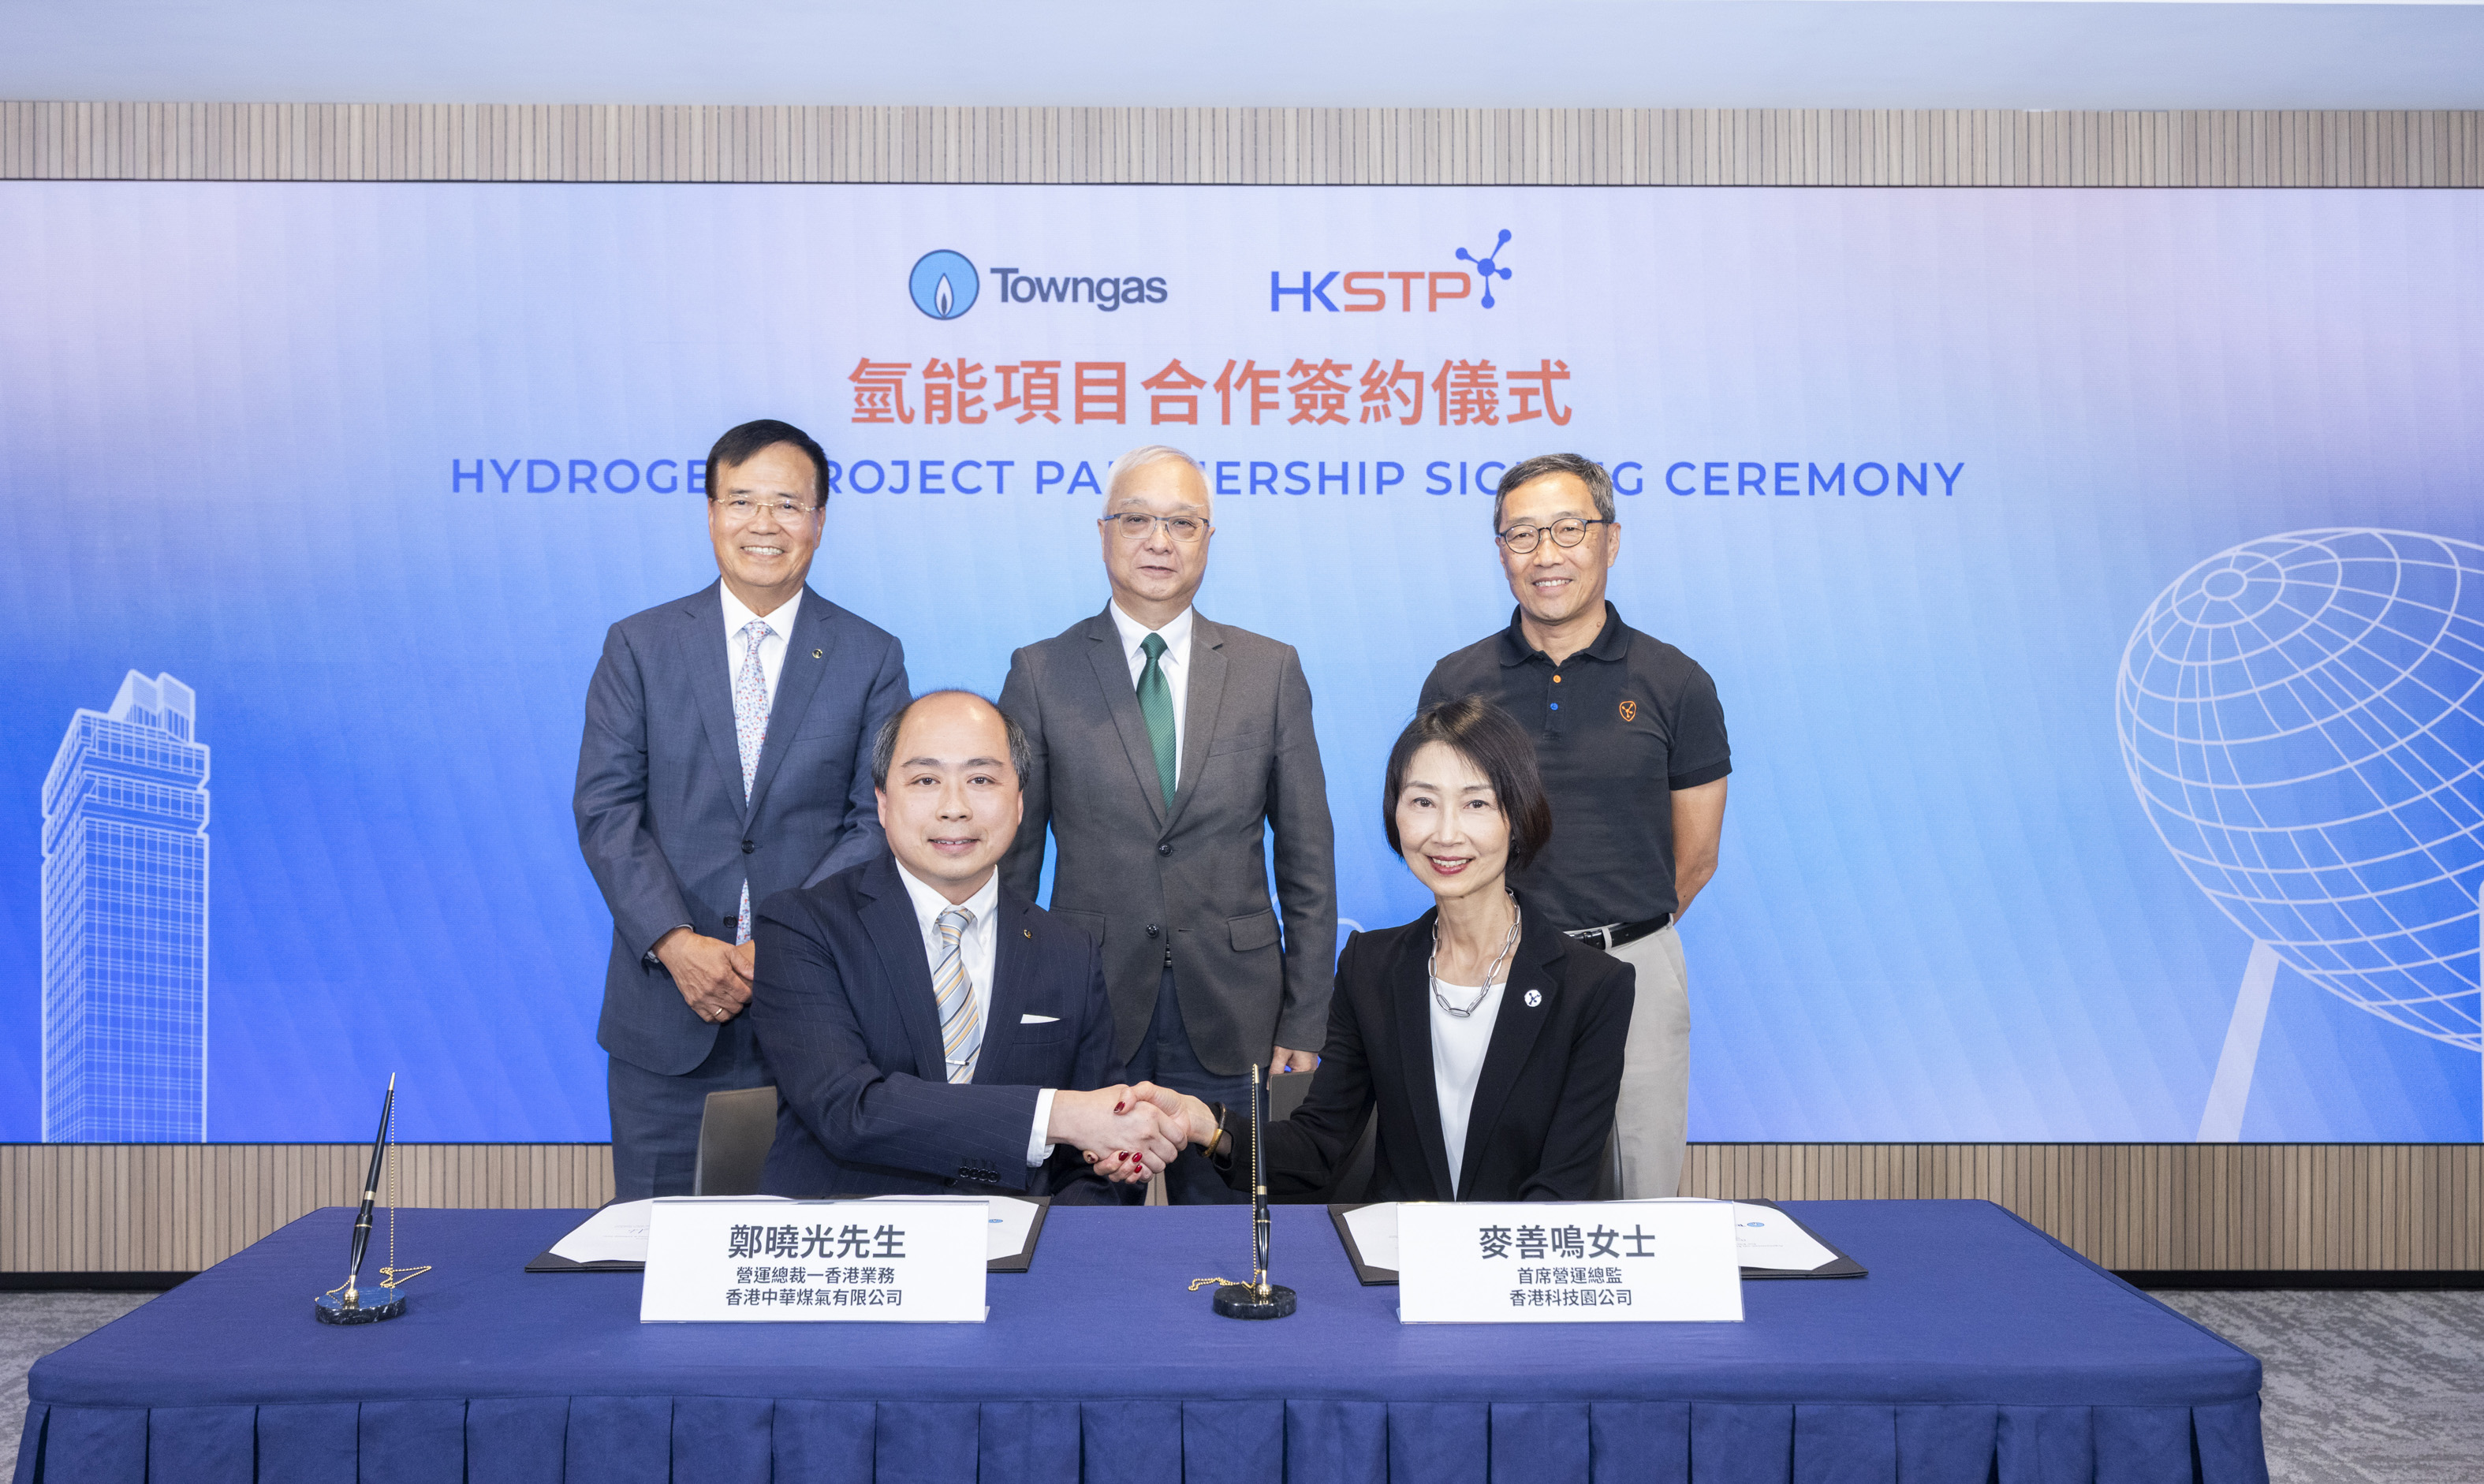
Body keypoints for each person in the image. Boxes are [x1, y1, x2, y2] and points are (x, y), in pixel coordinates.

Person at [575, 419, 910, 1199]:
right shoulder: (640, 646)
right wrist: (675, 941)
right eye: (742, 501)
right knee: (657, 1246)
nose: (765, 524)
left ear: (819, 521)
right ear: (711, 513)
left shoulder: (870, 655)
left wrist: (783, 946)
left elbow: (875, 817)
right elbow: (606, 808)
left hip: (817, 1018)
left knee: (804, 1244)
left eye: (788, 504)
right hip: (666, 1012)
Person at [998, 444, 1337, 1203]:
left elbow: (1308, 858)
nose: (1160, 541)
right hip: (1088, 1000)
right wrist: (1014, 1007)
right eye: (1137, 520)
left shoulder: (1269, 670)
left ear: (1208, 539)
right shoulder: (1041, 671)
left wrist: (1307, 1018)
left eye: (1183, 523)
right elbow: (1012, 865)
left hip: (1237, 1007)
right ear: (1103, 533)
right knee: (1084, 1227)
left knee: (1233, 1223)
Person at [1136, 697, 1632, 1202]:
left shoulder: (1593, 987)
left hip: (1517, 1250)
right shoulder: (1370, 967)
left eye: (1476, 804)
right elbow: (1317, 1148)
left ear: (1518, 815)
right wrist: (1208, 1125)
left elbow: (1562, 1186)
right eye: (1423, 802)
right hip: (1394, 1249)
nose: (1446, 834)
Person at [1417, 453, 1729, 1200]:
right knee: (1485, 1185)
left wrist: (1603, 939)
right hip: (1488, 972)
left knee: (1639, 1194)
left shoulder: (1676, 682)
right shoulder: (1457, 682)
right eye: (1522, 535)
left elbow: (1694, 858)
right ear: (1501, 552)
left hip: (1632, 968)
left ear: (1610, 540)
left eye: (1568, 529)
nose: (1546, 554)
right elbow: (1438, 828)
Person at [748, 691, 1181, 1198]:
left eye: (981, 780)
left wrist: (1075, 1212)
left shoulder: (1068, 951)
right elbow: (848, 1110)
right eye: (925, 780)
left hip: (1019, 1240)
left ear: (1019, 802)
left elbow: (1098, 1160)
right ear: (882, 802)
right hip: (855, 1237)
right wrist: (1056, 1114)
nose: (954, 808)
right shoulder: (802, 927)